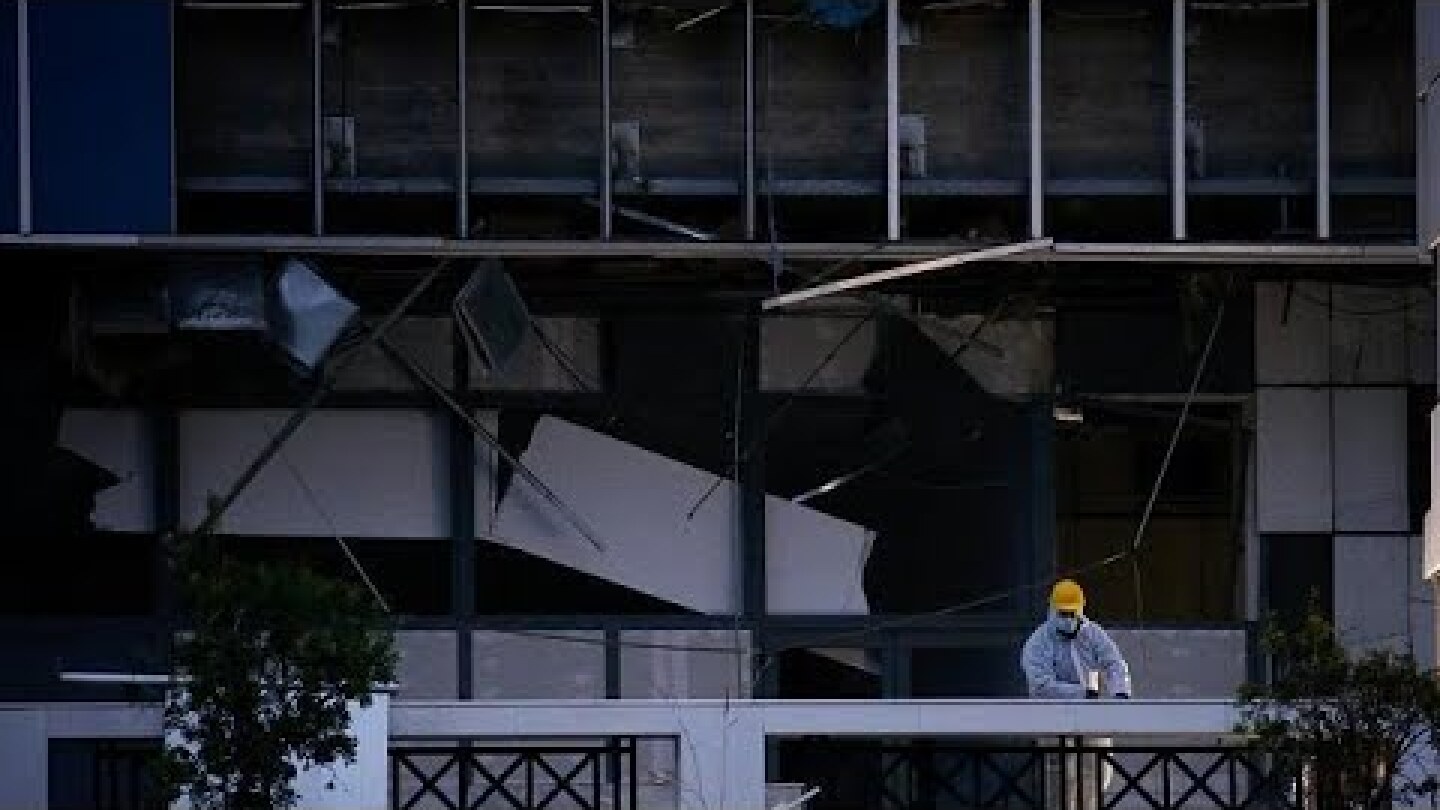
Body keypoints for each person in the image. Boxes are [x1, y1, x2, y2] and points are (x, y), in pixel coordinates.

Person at [1021, 579, 1132, 699]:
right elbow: (1041, 687)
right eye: (1063, 613)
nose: (1068, 620)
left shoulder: (1093, 634)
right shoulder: (1037, 644)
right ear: (1052, 610)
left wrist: (1121, 692)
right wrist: (1083, 693)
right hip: (1051, 711)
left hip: (1090, 709)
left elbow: (1114, 663)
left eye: (1072, 613)